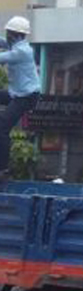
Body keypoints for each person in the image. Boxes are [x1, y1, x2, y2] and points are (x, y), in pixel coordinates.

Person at [0, 17, 41, 180]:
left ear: (15, 34)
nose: (7, 35)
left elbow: (2, 57)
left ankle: (2, 169)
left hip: (26, 97)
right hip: (16, 93)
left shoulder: (22, 52)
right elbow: (2, 42)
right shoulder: (15, 45)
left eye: (8, 32)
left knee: (2, 128)